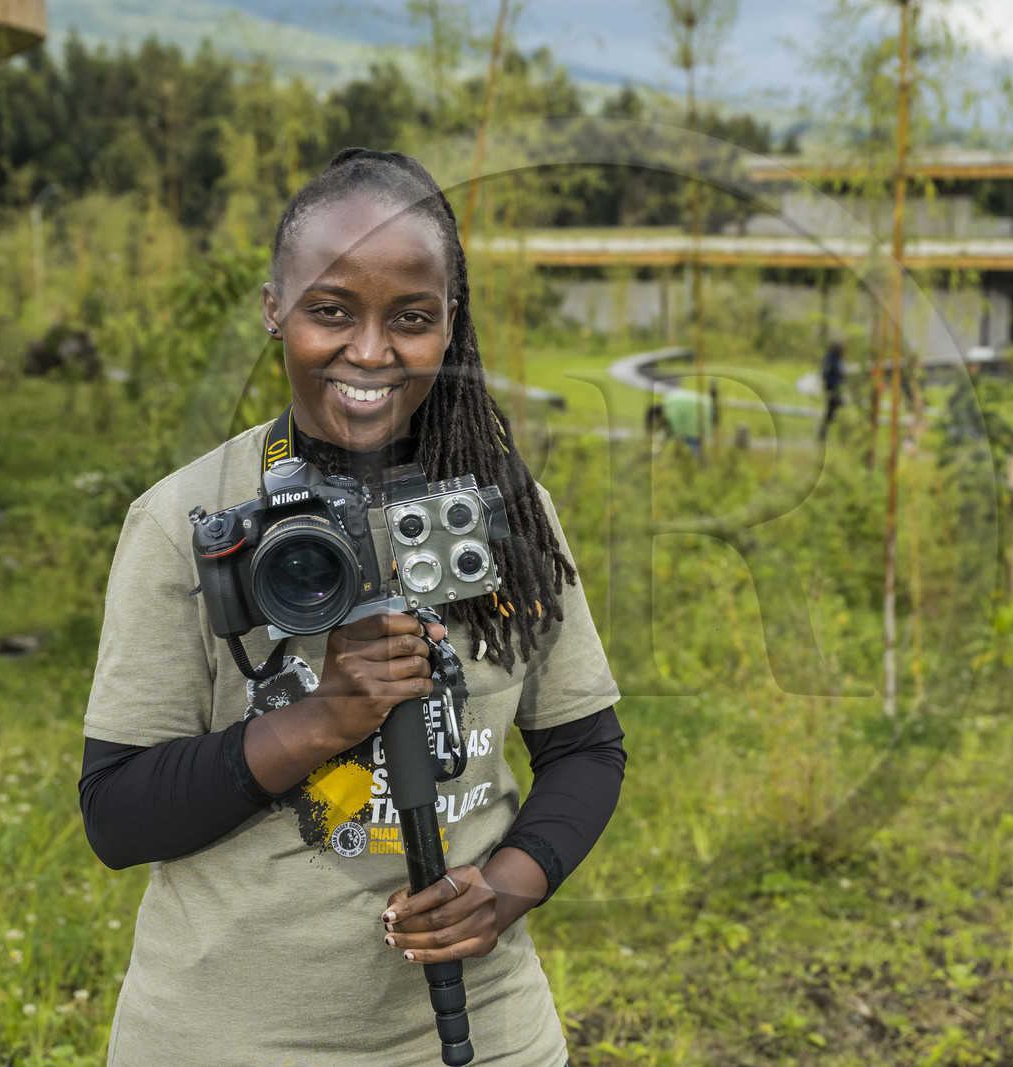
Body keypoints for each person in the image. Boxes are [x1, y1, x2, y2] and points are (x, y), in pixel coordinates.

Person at [78, 148, 625, 1066]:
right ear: (273, 309)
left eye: (410, 318)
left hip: (485, 1034)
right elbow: (119, 814)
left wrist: (510, 884)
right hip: (226, 1039)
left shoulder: (499, 506)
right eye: (330, 310)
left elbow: (585, 746)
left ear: (450, 324)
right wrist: (326, 716)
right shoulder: (186, 518)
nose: (370, 351)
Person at [660, 384, 712, 461]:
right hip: (704, 405)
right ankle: (699, 464)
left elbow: (676, 428)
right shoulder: (669, 400)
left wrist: (666, 441)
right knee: (696, 443)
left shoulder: (669, 408)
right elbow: (672, 428)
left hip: (697, 416)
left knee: (693, 443)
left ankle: (701, 465)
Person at [818, 340, 845, 441]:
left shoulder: (838, 359)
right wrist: (829, 388)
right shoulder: (830, 359)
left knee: (833, 412)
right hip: (832, 389)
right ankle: (824, 433)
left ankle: (824, 433)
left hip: (837, 389)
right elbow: (825, 374)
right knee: (834, 411)